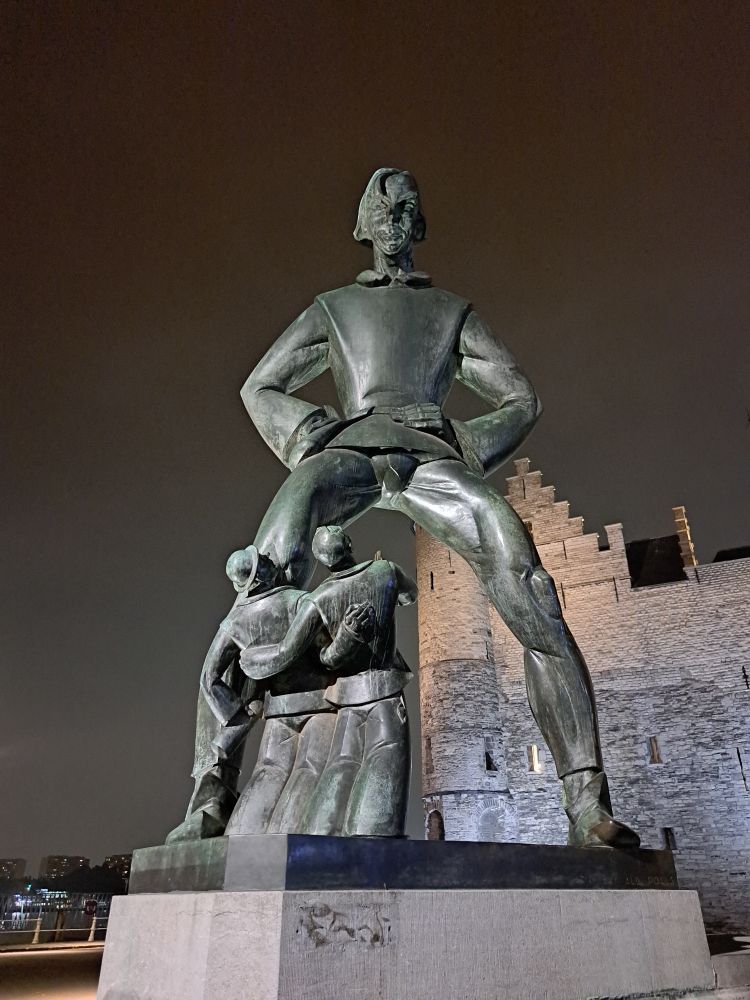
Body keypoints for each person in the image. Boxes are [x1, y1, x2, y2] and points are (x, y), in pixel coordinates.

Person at [240, 168, 638, 848]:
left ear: (419, 226)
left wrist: (461, 437)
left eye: (408, 208)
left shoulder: (451, 313)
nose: (395, 215)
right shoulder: (334, 309)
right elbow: (261, 387)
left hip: (432, 458)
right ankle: (213, 794)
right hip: (355, 451)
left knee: (528, 581)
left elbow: (521, 399)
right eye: (382, 205)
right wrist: (316, 437)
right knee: (276, 548)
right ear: (363, 225)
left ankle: (586, 803)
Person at [240, 525, 416, 837]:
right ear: (349, 543)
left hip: (346, 697)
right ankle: (374, 843)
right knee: (385, 761)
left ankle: (320, 840)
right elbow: (410, 594)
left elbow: (320, 659)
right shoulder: (385, 571)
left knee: (340, 767)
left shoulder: (318, 598)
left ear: (322, 562)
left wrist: (343, 642)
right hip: (384, 690)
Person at [166, 545, 336, 842]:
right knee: (310, 776)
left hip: (276, 714)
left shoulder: (235, 622)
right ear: (264, 574)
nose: (270, 560)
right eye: (264, 562)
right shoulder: (298, 601)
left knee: (267, 778)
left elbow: (209, 677)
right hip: (318, 706)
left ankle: (247, 842)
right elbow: (330, 652)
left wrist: (236, 716)